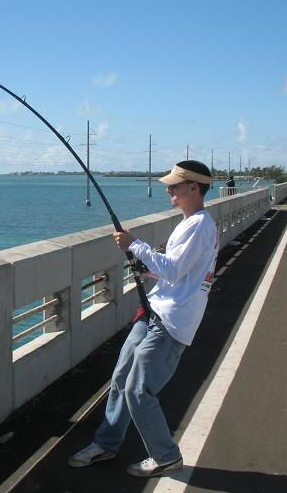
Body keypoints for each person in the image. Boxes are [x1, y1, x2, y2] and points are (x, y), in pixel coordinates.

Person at [68, 160, 219, 478]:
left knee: (138, 391)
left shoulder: (198, 225)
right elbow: (179, 272)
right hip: (153, 312)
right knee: (121, 379)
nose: (168, 190)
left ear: (194, 187)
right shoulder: (190, 223)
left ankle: (166, 456)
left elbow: (173, 269)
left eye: (174, 185)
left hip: (170, 323)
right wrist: (148, 270)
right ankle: (106, 444)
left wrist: (134, 244)